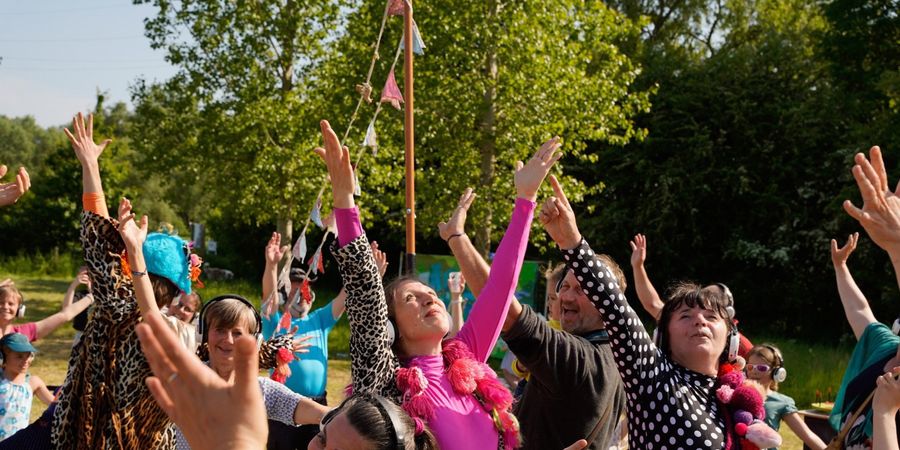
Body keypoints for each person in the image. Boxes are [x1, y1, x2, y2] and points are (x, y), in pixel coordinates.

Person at [318, 118, 560, 450]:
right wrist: (345, 202)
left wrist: (525, 199)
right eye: (410, 299)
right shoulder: (383, 380)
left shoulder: (468, 360)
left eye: (430, 294)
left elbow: (501, 287)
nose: (429, 299)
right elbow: (365, 296)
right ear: (392, 327)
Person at [540, 174, 781, 450]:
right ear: (664, 335)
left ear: (730, 338)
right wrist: (572, 243)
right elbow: (616, 309)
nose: (700, 320)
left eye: (711, 317)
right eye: (686, 315)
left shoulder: (732, 400)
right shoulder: (654, 378)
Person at [439, 188, 626, 449]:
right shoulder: (618, 358)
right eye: (566, 286)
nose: (566, 297)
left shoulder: (582, 359)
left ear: (609, 304)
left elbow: (501, 307)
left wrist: (456, 238)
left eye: (582, 290)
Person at [135, 304, 439, 450]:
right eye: (320, 439)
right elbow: (320, 414)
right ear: (205, 334)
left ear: (253, 341)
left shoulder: (260, 389)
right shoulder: (187, 381)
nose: (228, 339)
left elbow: (309, 410)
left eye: (237, 332)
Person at [261, 231, 380, 450]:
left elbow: (346, 295)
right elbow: (268, 297)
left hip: (318, 404)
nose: (301, 296)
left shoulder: (319, 319)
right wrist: (271, 266)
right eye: (295, 290)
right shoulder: (275, 323)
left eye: (305, 290)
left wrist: (367, 269)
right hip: (282, 404)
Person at [629, 232, 754, 357]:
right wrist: (638, 266)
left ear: (728, 314)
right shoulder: (681, 323)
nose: (700, 320)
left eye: (711, 314)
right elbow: (652, 304)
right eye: (686, 316)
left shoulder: (741, 345)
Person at [745, 344, 827, 449]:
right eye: (750, 367)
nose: (754, 372)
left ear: (776, 372)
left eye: (761, 368)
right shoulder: (735, 394)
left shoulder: (781, 402)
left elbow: (808, 436)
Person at [0, 333, 53, 441]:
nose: (26, 361)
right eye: (19, 356)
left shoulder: (32, 383)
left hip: (18, 444)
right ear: (2, 357)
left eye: (29, 355)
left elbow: (55, 406)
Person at [0, 281, 93, 342]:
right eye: (1, 302)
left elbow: (65, 315)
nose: (5, 307)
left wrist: (92, 296)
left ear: (19, 309)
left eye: (11, 304)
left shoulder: (23, 333)